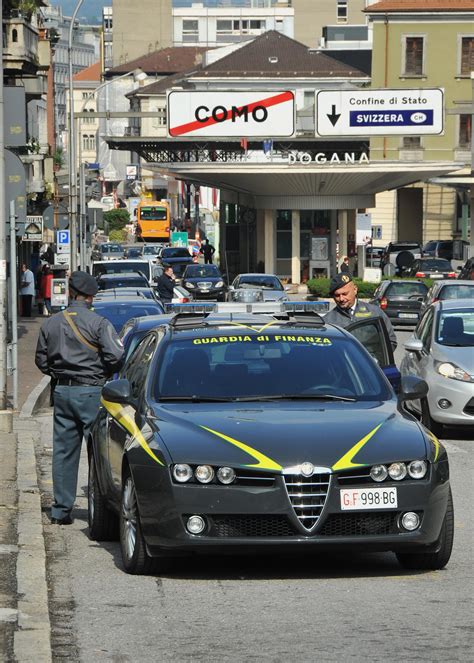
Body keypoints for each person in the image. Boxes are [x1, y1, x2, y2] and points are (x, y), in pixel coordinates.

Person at [35, 271, 124, 525]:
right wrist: (103, 372)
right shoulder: (98, 323)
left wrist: (59, 374)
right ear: (91, 296)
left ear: (71, 293)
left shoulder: (51, 323)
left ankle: (61, 511)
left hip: (62, 391)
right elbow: (116, 356)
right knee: (97, 451)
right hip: (91, 391)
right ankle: (101, 509)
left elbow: (41, 360)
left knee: (63, 451)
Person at [325, 272, 397, 350]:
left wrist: (375, 358)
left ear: (355, 290)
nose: (341, 299)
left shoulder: (375, 313)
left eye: (345, 294)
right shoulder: (328, 321)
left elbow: (391, 341)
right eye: (337, 295)